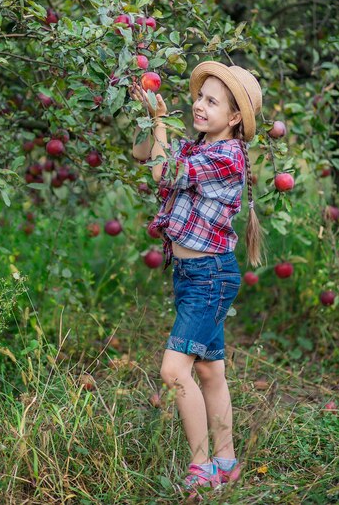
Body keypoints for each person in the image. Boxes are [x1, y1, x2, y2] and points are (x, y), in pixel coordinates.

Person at [131, 61, 263, 499]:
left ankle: (201, 465)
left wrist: (162, 134)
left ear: (235, 118)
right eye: (199, 96)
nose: (199, 105)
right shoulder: (197, 147)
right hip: (195, 275)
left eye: (212, 101)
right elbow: (142, 154)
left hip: (210, 276)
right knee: (209, 370)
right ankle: (225, 459)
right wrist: (152, 116)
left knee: (175, 370)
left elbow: (163, 173)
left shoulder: (227, 157)